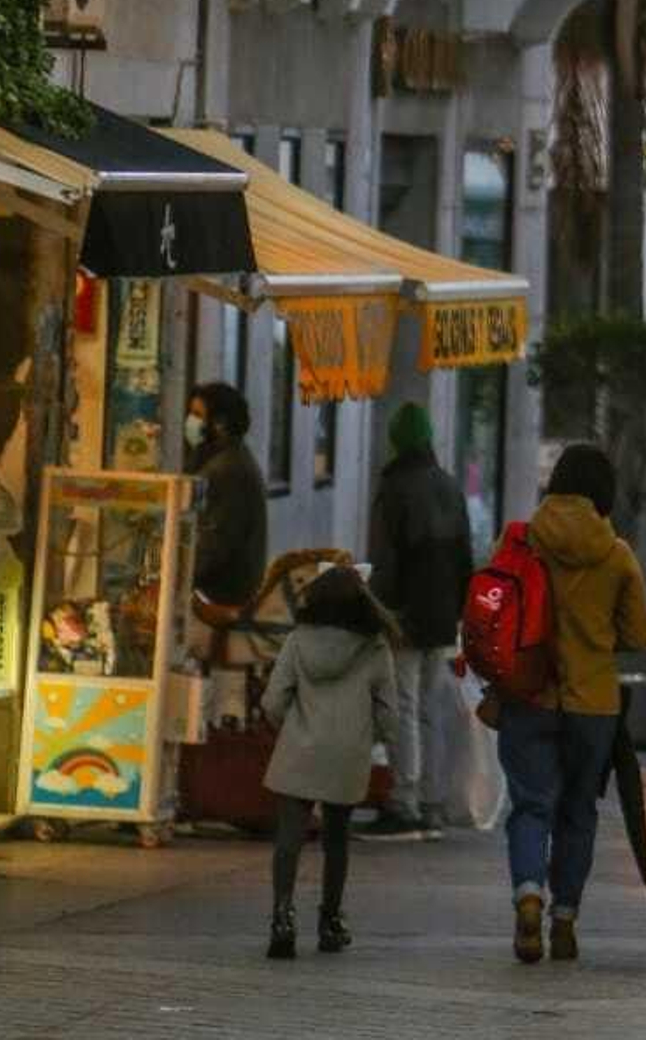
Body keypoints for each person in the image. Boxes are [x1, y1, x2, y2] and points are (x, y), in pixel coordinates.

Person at [497, 441, 646, 965]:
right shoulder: (617, 554)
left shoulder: (522, 541)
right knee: (579, 810)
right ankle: (564, 918)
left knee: (530, 804)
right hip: (594, 704)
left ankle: (528, 894)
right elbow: (638, 634)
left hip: (529, 693)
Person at [261, 564, 398, 960]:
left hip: (298, 749)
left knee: (289, 840)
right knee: (337, 842)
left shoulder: (297, 640)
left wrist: (290, 729)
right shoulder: (374, 646)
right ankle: (331, 921)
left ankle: (282, 919)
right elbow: (389, 713)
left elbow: (273, 700)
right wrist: (371, 738)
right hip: (347, 754)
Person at [362, 399, 474, 841]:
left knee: (403, 707)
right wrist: (460, 609)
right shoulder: (449, 486)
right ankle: (433, 804)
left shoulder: (395, 488)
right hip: (443, 614)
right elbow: (465, 556)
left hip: (406, 614)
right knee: (430, 707)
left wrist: (382, 611)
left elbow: (386, 560)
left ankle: (403, 802)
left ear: (397, 441)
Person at [186, 381, 268, 609]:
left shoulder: (226, 470)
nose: (190, 422)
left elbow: (212, 544)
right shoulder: (229, 459)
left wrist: (173, 575)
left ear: (220, 424)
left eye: (197, 415)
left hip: (218, 597)